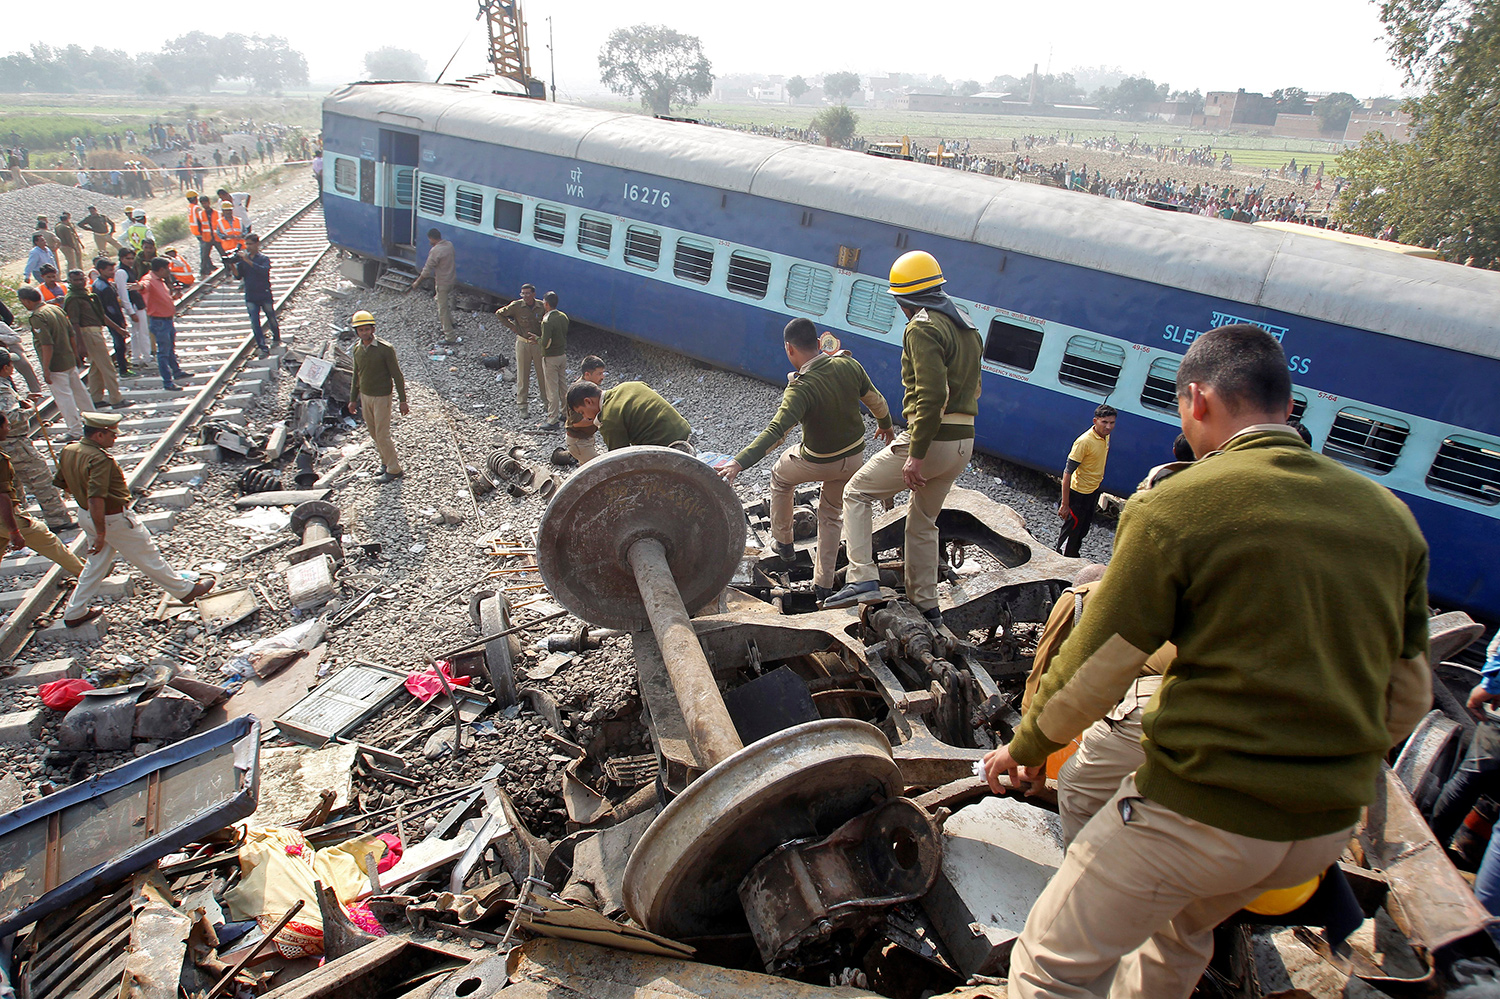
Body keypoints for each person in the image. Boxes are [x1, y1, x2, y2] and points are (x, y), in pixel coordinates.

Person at [982, 325, 1432, 999]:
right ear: (1287, 407)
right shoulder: (1390, 519)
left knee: (1049, 965)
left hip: (1205, 814)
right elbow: (1407, 697)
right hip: (1320, 829)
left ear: (1196, 400)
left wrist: (1024, 746)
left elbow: (1094, 665)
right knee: (1178, 935)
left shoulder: (1178, 507)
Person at [823, 251, 981, 625]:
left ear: (904, 298)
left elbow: (931, 397)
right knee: (923, 521)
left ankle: (862, 578)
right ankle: (927, 605)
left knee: (856, 492)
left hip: (934, 440)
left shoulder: (923, 328)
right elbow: (971, 390)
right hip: (964, 443)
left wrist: (917, 454)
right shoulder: (967, 325)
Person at [718, 318, 894, 599]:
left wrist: (738, 462)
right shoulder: (849, 365)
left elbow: (777, 432)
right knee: (831, 514)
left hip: (817, 461)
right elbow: (877, 401)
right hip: (854, 457)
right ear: (817, 343)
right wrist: (885, 425)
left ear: (789, 349)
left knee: (780, 475)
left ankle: (783, 542)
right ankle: (823, 585)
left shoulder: (801, 387)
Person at [54, 412, 216, 628]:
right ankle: (185, 591)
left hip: (86, 516)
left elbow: (62, 481)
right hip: (110, 518)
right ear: (100, 435)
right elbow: (96, 497)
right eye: (112, 434)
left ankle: (74, 612)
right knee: (147, 554)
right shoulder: (101, 459)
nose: (115, 438)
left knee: (95, 565)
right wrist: (101, 533)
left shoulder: (70, 450)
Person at [0, 409, 82, 578]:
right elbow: (2, 496)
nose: (9, 430)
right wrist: (14, 531)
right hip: (5, 517)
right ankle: (86, 573)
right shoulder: (0, 459)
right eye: (6, 426)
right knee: (47, 540)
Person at [0, 350, 75, 531]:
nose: (13, 368)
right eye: (10, 365)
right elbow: (10, 417)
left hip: (4, 447)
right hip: (14, 444)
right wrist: (30, 409)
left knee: (12, 487)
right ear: (5, 368)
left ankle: (21, 525)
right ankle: (58, 519)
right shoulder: (3, 389)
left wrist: (22, 400)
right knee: (40, 480)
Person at [16, 286, 90, 438]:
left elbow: (46, 344)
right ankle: (96, 421)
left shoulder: (38, 317)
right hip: (68, 359)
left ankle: (75, 430)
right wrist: (75, 356)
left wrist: (46, 368)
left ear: (26, 301)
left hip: (56, 364)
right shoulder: (55, 309)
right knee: (80, 393)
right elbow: (71, 334)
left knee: (64, 398)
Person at [347, 312, 408, 483]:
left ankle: (394, 469)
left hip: (382, 396)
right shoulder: (357, 349)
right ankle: (385, 462)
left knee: (382, 434)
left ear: (373, 329)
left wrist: (403, 400)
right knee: (373, 433)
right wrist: (353, 398)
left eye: (367, 329)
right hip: (365, 396)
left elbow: (397, 375)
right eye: (361, 330)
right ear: (356, 332)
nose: (365, 333)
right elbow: (356, 375)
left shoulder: (384, 349)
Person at [565, 380, 690, 457]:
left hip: (669, 448)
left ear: (588, 401)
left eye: (582, 412)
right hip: (684, 431)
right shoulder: (628, 386)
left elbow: (620, 458)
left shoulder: (608, 420)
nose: (586, 417)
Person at [62, 270, 130, 411]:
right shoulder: (73, 298)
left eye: (81, 279)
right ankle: (116, 398)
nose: (80, 282)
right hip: (88, 334)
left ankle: (95, 398)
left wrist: (118, 329)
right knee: (107, 366)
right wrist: (80, 345)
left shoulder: (87, 295)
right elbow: (74, 323)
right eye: (76, 280)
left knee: (96, 368)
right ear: (70, 281)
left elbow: (100, 315)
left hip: (95, 332)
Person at [1056, 404, 1116, 558]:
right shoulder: (1084, 442)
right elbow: (1068, 472)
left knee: (1082, 529)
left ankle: (1073, 556)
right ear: (1095, 421)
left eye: (1112, 423)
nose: (1108, 427)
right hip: (1078, 493)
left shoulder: (1105, 437)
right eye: (1104, 422)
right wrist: (1065, 504)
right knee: (1071, 531)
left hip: (1092, 491)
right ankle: (1061, 558)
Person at [495, 285, 546, 413]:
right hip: (523, 343)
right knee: (523, 375)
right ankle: (522, 406)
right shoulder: (516, 306)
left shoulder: (541, 306)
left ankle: (547, 403)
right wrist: (512, 327)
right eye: (523, 294)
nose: (525, 296)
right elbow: (500, 314)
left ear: (534, 294)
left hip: (538, 344)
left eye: (528, 294)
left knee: (543, 375)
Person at [139, 259, 188, 391]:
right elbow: (144, 286)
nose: (169, 271)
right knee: (163, 352)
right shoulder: (149, 279)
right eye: (167, 268)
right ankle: (167, 382)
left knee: (169, 349)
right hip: (159, 321)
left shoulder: (160, 281)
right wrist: (139, 287)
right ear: (161, 269)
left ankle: (176, 372)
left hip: (166, 320)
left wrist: (175, 297)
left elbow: (162, 299)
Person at [233, 234, 279, 354]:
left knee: (271, 318)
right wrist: (230, 264)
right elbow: (238, 276)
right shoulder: (243, 261)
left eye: (250, 244)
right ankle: (262, 346)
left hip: (264, 294)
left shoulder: (263, 258)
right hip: (251, 296)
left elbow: (263, 271)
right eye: (246, 244)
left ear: (257, 244)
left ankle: (276, 337)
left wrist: (247, 261)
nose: (248, 247)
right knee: (254, 322)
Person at [91, 259, 133, 380]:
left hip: (110, 318)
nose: (112, 272)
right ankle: (123, 369)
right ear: (101, 270)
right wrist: (119, 324)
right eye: (109, 270)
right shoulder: (105, 287)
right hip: (113, 319)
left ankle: (123, 365)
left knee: (119, 343)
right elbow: (111, 308)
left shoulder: (99, 284)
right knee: (119, 344)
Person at [413, 228, 456, 339]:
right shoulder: (449, 245)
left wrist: (417, 282)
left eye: (429, 239)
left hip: (442, 282)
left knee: (442, 309)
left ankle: (449, 336)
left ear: (432, 238)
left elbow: (427, 270)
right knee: (441, 301)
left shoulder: (436, 250)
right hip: (451, 281)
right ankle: (452, 322)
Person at [564, 356, 607, 465]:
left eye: (603, 373)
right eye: (599, 374)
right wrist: (602, 420)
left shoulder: (591, 389)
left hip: (587, 439)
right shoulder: (577, 394)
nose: (602, 377)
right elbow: (576, 423)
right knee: (599, 467)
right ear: (587, 374)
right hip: (579, 442)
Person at [115, 247, 152, 368]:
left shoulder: (128, 270)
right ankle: (147, 357)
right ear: (121, 258)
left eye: (132, 258)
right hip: (134, 306)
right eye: (127, 258)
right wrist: (131, 311)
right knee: (142, 332)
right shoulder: (121, 272)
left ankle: (136, 358)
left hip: (137, 304)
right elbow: (123, 293)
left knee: (137, 333)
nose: (130, 261)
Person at [538, 291, 569, 430]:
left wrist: (536, 339)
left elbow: (545, 342)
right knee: (563, 386)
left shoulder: (547, 320)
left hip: (550, 357)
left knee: (552, 389)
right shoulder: (563, 317)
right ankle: (566, 412)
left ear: (547, 304)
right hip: (562, 355)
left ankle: (552, 419)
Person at [187, 190, 218, 277]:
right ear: (195, 198)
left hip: (194, 231)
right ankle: (205, 269)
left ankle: (209, 266)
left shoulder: (190, 207)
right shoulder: (197, 208)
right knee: (204, 250)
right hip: (200, 231)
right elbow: (201, 219)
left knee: (205, 249)